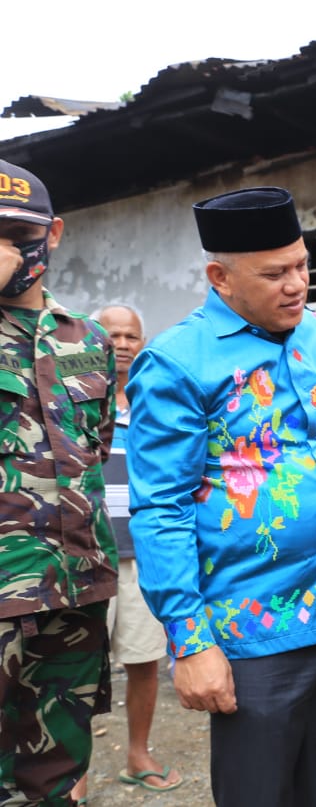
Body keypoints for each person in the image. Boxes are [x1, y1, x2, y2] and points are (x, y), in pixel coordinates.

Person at [125, 186, 316, 807]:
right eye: (275, 273)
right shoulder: (176, 363)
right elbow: (160, 510)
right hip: (254, 631)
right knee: (260, 794)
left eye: (302, 264)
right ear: (220, 276)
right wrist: (190, 641)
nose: (297, 284)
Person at [0, 159, 117, 806]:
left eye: (20, 232)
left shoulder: (89, 340)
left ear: (55, 233)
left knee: (56, 774)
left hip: (74, 588)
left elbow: (95, 446)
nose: (7, 247)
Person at [71, 306, 184, 801]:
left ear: (142, 342)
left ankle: (138, 756)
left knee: (144, 659)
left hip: (143, 555)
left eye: (130, 335)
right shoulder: (73, 397)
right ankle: (72, 771)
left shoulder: (152, 401)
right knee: (73, 665)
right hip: (86, 554)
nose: (120, 342)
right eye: (111, 334)